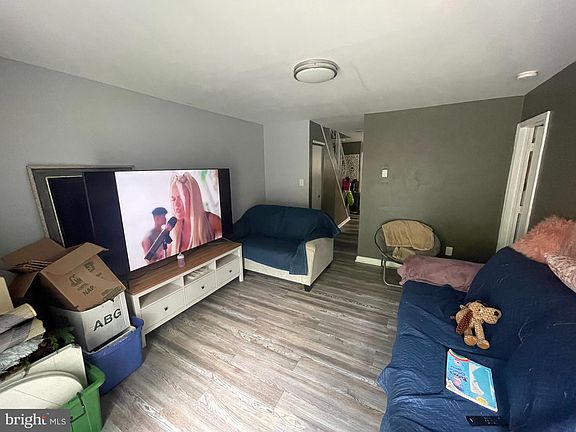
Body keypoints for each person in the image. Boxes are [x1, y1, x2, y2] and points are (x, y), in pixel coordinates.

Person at [168, 172, 222, 255]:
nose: (176, 204)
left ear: (193, 198)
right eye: (173, 199)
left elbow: (228, 245)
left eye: (181, 198)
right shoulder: (176, 229)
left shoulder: (211, 220)